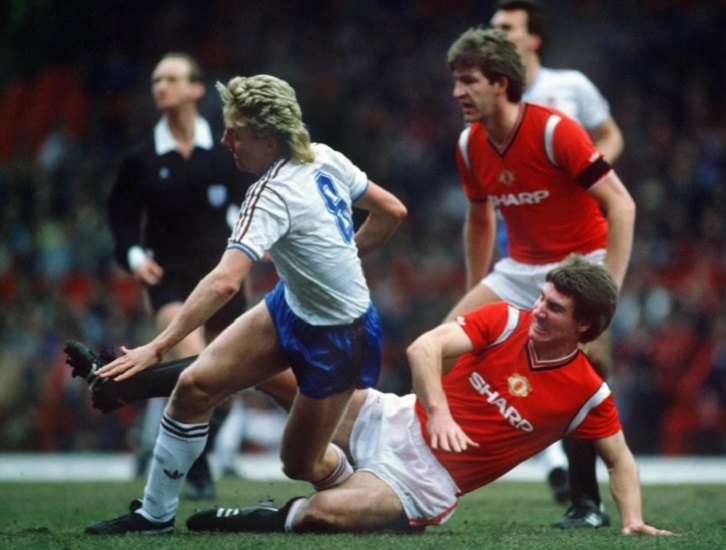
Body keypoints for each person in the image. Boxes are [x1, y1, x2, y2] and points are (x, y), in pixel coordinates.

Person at [66, 256, 672, 536]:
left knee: (328, 513)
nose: (539, 311)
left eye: (555, 309)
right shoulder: (507, 320)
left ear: (586, 327)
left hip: (423, 483)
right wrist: (434, 408)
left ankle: (258, 518)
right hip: (387, 416)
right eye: (542, 298)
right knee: (268, 366)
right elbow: (424, 350)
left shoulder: (588, 393)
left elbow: (619, 457)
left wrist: (634, 520)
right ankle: (127, 381)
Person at [82, 73, 407, 535]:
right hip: (291, 307)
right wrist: (342, 253)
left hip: (338, 336)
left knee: (299, 462)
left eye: (235, 131)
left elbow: (223, 283)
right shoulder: (324, 157)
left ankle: (367, 500)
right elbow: (393, 211)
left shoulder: (269, 193)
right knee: (196, 385)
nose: (224, 139)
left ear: (267, 137)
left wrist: (155, 347)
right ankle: (152, 516)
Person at [444, 26, 635, 529]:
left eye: (467, 82)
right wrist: (473, 288)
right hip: (519, 268)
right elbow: (480, 218)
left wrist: (605, 299)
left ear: (501, 83)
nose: (457, 93)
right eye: (456, 82)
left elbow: (621, 204)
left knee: (588, 371)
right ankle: (433, 468)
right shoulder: (469, 145)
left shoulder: (555, 131)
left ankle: (586, 503)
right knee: (441, 345)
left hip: (581, 263)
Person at [488, 0, 626, 525]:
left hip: (580, 247)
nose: (494, 32)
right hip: (521, 253)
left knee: (590, 363)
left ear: (532, 38)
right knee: (468, 344)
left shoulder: (569, 86)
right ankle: (549, 462)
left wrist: (590, 172)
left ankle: (586, 497)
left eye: (506, 26)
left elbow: (611, 134)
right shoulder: (490, 105)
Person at [106, 52, 255, 499]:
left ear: (195, 88)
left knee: (227, 387)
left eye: (170, 78)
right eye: (156, 80)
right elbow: (121, 217)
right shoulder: (142, 159)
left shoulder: (225, 151)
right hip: (169, 279)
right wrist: (134, 256)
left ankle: (198, 453)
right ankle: (198, 468)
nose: (160, 87)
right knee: (199, 368)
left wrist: (248, 248)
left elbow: (244, 204)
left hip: (223, 276)